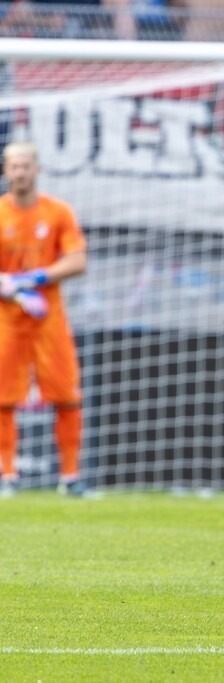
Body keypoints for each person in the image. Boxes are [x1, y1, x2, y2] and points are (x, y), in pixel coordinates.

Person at [0, 142, 88, 497]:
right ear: (6, 171)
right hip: (6, 320)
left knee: (66, 395)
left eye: (26, 166)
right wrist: (9, 288)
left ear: (37, 169)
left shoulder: (58, 212)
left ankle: (70, 478)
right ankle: (8, 475)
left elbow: (77, 261)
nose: (20, 172)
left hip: (48, 319)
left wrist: (32, 279)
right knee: (3, 397)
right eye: (14, 166)